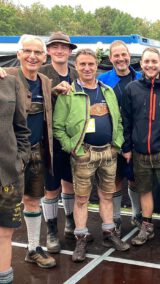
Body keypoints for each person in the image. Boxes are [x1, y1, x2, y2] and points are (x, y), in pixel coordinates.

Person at [53, 48, 129, 262]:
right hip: (83, 154)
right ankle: (81, 238)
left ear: (97, 66)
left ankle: (108, 233)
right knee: (82, 198)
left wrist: (117, 145)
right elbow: (58, 127)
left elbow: (119, 120)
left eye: (91, 64)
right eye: (82, 64)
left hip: (108, 152)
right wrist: (73, 148)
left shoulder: (107, 91)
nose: (87, 68)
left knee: (107, 195)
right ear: (75, 67)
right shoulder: (68, 93)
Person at [122, 47, 160, 251]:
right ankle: (146, 227)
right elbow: (126, 120)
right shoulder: (132, 89)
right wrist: (128, 147)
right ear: (141, 64)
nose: (150, 65)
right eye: (146, 61)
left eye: (154, 62)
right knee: (145, 191)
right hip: (140, 153)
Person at [4, 34, 57, 268]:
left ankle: (33, 248)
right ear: (18, 54)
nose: (33, 56)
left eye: (38, 52)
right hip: (9, 156)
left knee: (33, 200)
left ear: (44, 57)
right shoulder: (7, 76)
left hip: (36, 152)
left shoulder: (45, 80)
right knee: (6, 207)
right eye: (28, 51)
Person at [39, 31, 81, 253]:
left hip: (73, 141)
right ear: (48, 50)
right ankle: (52, 231)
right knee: (51, 187)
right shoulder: (41, 73)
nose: (59, 50)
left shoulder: (76, 74)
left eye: (64, 47)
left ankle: (71, 223)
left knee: (70, 183)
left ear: (69, 51)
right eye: (55, 47)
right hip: (49, 141)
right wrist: (51, 93)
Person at [98, 40, 142, 235]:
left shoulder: (141, 77)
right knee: (114, 180)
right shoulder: (102, 80)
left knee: (134, 179)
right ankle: (115, 218)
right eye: (116, 55)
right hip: (112, 141)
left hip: (137, 139)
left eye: (123, 54)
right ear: (110, 58)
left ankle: (136, 214)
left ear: (129, 56)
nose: (120, 59)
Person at [0, 74, 30, 284]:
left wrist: (20, 160)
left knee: (4, 234)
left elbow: (21, 127)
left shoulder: (9, 83)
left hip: (8, 174)